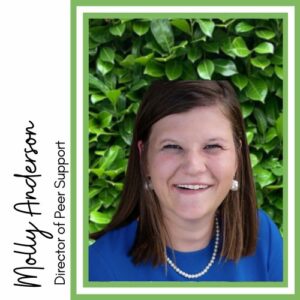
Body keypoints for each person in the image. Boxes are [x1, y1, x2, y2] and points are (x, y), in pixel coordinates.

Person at [89, 80, 283, 281]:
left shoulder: (263, 236)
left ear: (237, 157)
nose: (193, 167)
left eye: (213, 146)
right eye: (172, 147)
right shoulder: (99, 268)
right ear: (144, 158)